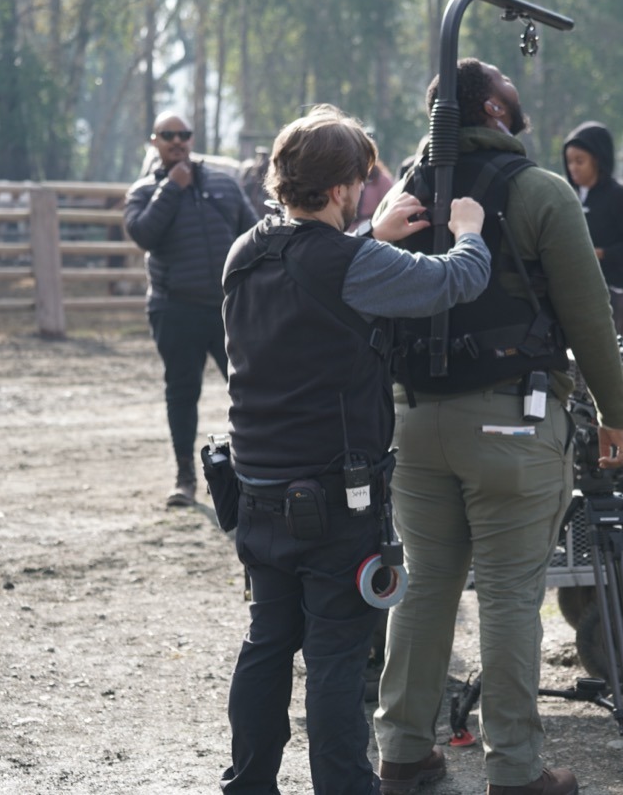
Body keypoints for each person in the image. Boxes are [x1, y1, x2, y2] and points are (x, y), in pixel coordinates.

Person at [371, 59, 623, 795]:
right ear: (492, 108)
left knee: (423, 588)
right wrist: (616, 417)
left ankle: (402, 754)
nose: (514, 87)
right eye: (502, 80)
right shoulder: (540, 190)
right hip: (512, 427)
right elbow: (589, 316)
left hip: (414, 423)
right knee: (510, 596)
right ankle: (516, 771)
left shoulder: (403, 193)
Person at [219, 104, 490, 795]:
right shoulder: (352, 262)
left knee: (266, 644)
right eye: (363, 182)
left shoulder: (245, 252)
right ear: (341, 187)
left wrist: (371, 234)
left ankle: (248, 784)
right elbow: (454, 281)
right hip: (336, 503)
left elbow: (313, 271)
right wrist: (469, 232)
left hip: (256, 492)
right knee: (336, 659)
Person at [124, 110, 258, 508]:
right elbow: (144, 234)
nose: (177, 141)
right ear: (155, 141)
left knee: (250, 390)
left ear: (191, 138)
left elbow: (252, 235)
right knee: (182, 392)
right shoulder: (143, 192)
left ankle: (253, 472)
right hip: (175, 309)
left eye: (183, 134)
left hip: (227, 310)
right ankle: (185, 477)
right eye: (168, 135)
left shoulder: (224, 185)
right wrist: (172, 188)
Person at [562, 121, 623, 336]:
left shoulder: (619, 197)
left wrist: (602, 253)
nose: (573, 168)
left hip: (610, 289)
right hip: (572, 289)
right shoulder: (567, 195)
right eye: (569, 161)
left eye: (580, 161)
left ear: (598, 159)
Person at [349, 160, 395, 233]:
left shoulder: (383, 181)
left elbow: (388, 210)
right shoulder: (350, 177)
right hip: (349, 228)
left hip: (370, 227)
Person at [240, 146, 272, 215]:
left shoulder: (267, 166)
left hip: (262, 191)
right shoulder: (251, 167)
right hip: (253, 191)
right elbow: (244, 181)